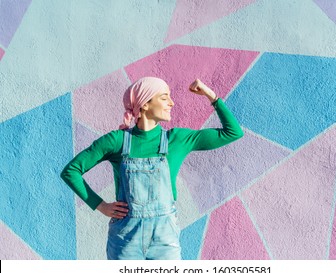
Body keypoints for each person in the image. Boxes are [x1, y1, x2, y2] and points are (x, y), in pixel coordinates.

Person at [61, 77, 244, 260]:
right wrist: (100, 205)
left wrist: (210, 95)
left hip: (165, 241)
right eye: (164, 98)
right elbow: (71, 171)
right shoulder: (116, 141)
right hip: (125, 240)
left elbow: (233, 132)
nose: (171, 103)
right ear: (145, 104)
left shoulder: (177, 139)